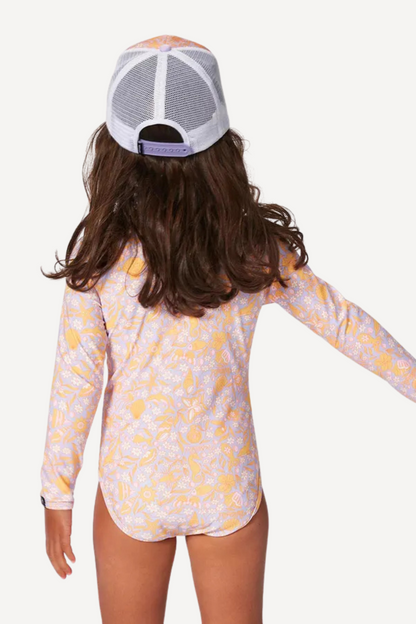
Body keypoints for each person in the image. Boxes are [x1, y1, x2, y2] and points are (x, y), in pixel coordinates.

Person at [39, 34, 416, 624]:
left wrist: (57, 492)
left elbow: (76, 378)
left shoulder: (102, 252)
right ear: (220, 147)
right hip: (226, 479)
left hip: (134, 487)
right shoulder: (251, 249)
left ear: (114, 149)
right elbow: (343, 323)